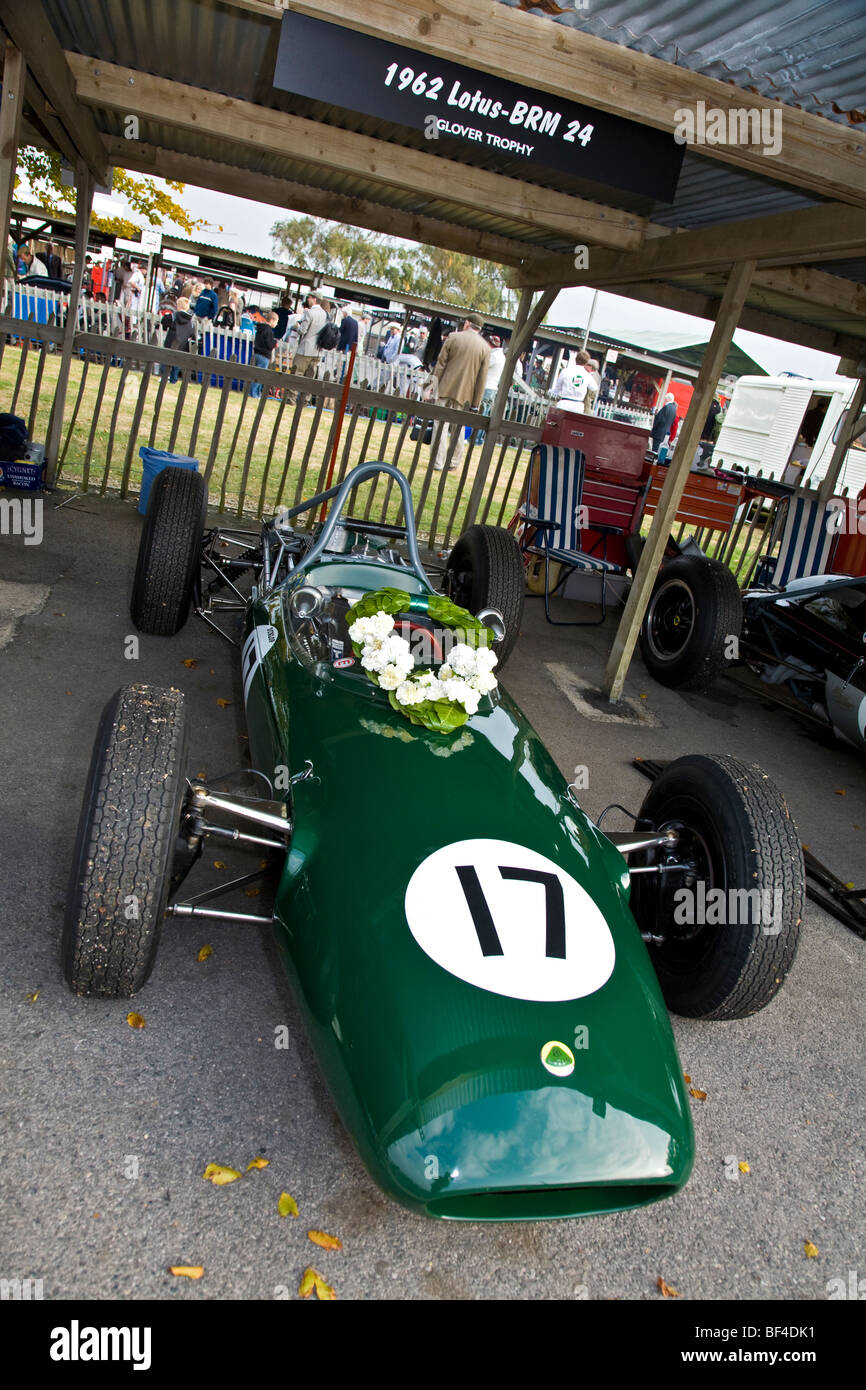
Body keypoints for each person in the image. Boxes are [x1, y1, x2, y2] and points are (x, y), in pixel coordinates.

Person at [430, 312, 490, 471]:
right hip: (466, 395)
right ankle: (454, 462)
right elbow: (481, 379)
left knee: (440, 425)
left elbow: (440, 365)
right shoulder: (485, 348)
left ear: (467, 323)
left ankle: (438, 462)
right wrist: (476, 403)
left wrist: (432, 387)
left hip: (445, 388)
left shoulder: (453, 337)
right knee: (459, 428)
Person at [291, 293, 327, 375]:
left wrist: (296, 326)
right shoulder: (325, 315)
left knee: (296, 375)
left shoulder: (309, 313)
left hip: (305, 350)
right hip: (318, 351)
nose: (308, 299)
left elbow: (302, 331)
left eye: (309, 298)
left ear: (314, 299)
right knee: (309, 379)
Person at [250, 312, 278, 398]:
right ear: (272, 320)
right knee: (260, 376)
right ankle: (254, 393)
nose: (276, 324)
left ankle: (257, 393)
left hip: (257, 353)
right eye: (276, 321)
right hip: (264, 355)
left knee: (256, 373)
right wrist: (274, 343)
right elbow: (269, 344)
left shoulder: (260, 328)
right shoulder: (269, 331)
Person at [481, 334, 506, 414]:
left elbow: (482, 366)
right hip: (493, 387)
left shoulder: (494, 356)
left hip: (486, 387)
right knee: (486, 411)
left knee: (481, 411)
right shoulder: (501, 356)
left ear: (489, 344)